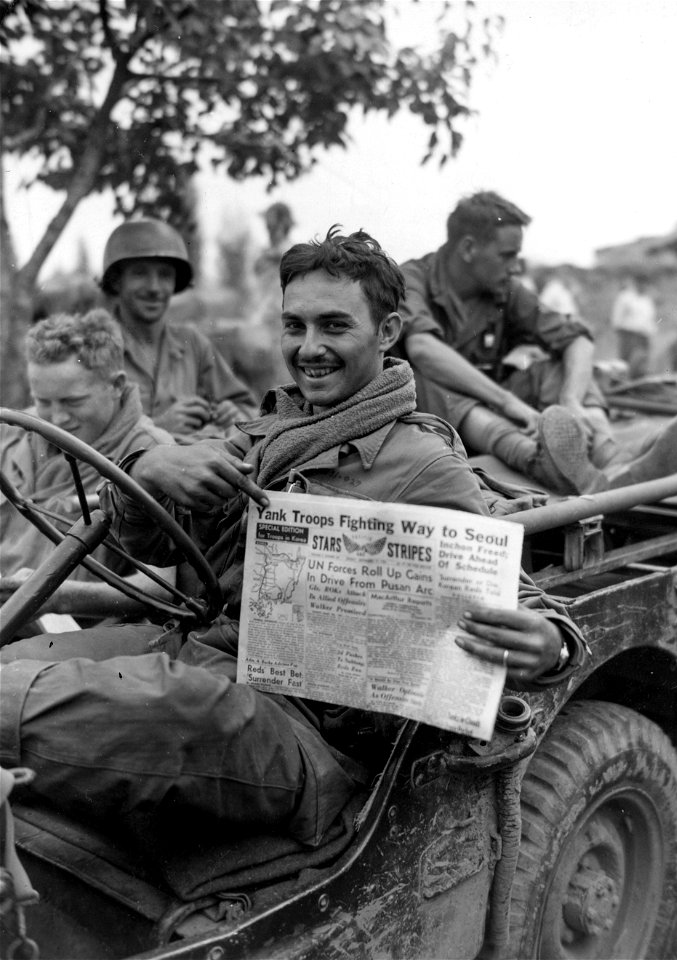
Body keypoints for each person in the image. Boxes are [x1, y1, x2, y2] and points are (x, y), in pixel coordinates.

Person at [0, 228, 587, 850]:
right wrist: (149, 471)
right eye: (294, 326)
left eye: (334, 327)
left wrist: (550, 645)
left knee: (52, 707)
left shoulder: (421, 463)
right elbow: (149, 552)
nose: (310, 348)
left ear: (387, 333)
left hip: (299, 730)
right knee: (13, 665)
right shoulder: (267, 436)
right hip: (202, 654)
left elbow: (524, 604)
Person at [397, 191, 677, 496]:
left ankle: (609, 454)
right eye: (507, 255)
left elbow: (577, 338)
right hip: (434, 416)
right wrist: (509, 402)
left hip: (492, 405)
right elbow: (423, 350)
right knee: (427, 380)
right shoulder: (413, 279)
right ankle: (537, 461)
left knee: (557, 367)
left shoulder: (505, 290)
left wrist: (571, 399)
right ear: (468, 248)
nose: (516, 267)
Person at [0, 309, 176, 627]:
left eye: (73, 402)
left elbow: (164, 587)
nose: (55, 419)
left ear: (116, 385)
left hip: (82, 635)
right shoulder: (14, 432)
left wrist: (57, 596)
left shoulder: (151, 454)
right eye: (43, 401)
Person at [100, 218, 258, 438]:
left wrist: (235, 415)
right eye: (140, 273)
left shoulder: (192, 343)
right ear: (117, 281)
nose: (154, 288)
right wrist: (156, 427)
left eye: (164, 275)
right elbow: (80, 442)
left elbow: (248, 408)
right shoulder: (96, 347)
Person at [609, 277, 657, 380]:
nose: (643, 286)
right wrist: (618, 328)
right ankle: (619, 381)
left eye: (646, 285)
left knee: (640, 362)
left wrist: (651, 333)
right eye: (641, 283)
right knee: (624, 361)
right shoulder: (625, 297)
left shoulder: (647, 301)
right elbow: (617, 314)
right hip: (628, 333)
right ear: (636, 283)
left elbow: (650, 319)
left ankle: (635, 382)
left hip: (643, 335)